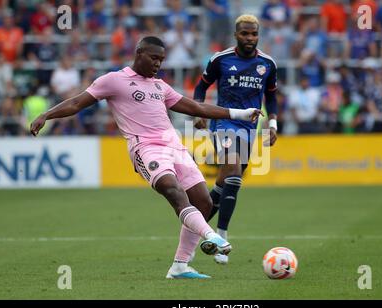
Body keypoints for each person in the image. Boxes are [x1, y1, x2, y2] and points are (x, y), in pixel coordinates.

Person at [30, 36, 262, 279]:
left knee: (203, 202)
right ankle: (211, 236)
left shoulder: (160, 86)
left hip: (174, 146)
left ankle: (180, 266)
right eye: (154, 58)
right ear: (139, 53)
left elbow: (197, 108)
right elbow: (78, 102)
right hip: (146, 148)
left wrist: (241, 114)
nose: (158, 64)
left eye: (161, 60)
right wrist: (46, 114)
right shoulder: (114, 80)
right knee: (173, 191)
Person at [193, 15, 278, 265]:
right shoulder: (220, 59)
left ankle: (193, 225)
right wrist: (199, 111)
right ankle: (221, 239)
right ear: (236, 35)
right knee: (232, 172)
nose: (249, 38)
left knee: (225, 183)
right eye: (244, 34)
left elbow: (271, 97)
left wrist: (272, 124)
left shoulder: (268, 64)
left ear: (258, 35)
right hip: (224, 121)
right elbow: (201, 87)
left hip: (250, 127)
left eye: (253, 34)